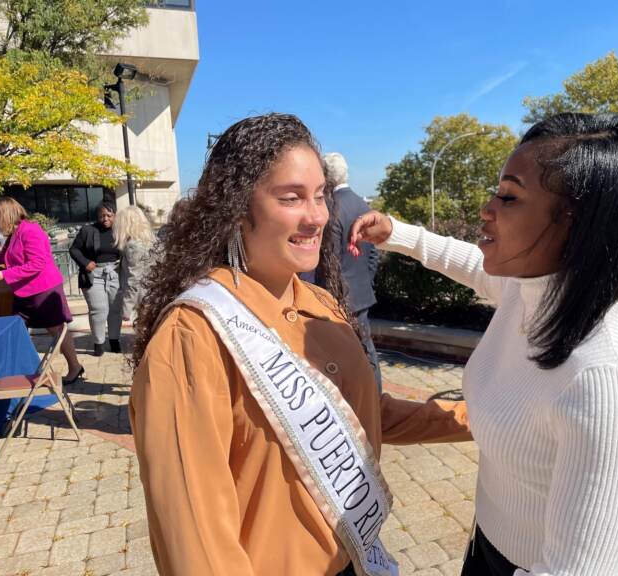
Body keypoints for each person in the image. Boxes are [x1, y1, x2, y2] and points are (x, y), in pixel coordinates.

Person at [128, 113, 471, 576]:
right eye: (291, 198)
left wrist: (478, 418)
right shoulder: (193, 336)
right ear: (235, 207)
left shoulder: (321, 304)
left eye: (320, 196)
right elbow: (195, 539)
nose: (316, 217)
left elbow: (364, 412)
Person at [350, 113, 618, 576]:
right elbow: (471, 264)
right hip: (493, 548)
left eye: (509, 196)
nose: (487, 208)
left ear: (576, 224)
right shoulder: (536, 289)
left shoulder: (605, 375)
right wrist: (398, 234)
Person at [0, 197, 84, 384]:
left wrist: (5, 275)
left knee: (56, 329)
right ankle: (20, 371)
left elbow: (37, 263)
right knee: (15, 328)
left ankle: (74, 367)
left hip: (44, 290)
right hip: (24, 292)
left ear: (7, 214)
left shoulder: (30, 230)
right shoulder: (15, 233)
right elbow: (12, 259)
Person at [316, 152, 382, 391]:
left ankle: (368, 403)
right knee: (367, 352)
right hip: (361, 293)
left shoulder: (332, 208)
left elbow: (328, 260)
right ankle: (377, 399)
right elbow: (374, 254)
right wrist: (363, 281)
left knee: (347, 357)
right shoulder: (362, 204)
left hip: (340, 297)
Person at [69, 202, 122, 356]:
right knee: (99, 309)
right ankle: (99, 343)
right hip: (94, 274)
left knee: (115, 309)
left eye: (109, 215)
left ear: (115, 216)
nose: (105, 219)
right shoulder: (88, 230)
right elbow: (74, 249)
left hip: (115, 273)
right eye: (101, 216)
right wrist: (85, 263)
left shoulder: (120, 231)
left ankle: (114, 340)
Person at [113, 206, 155, 324]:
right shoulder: (150, 241)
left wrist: (126, 308)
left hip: (143, 298)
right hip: (153, 294)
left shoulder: (132, 246)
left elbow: (134, 279)